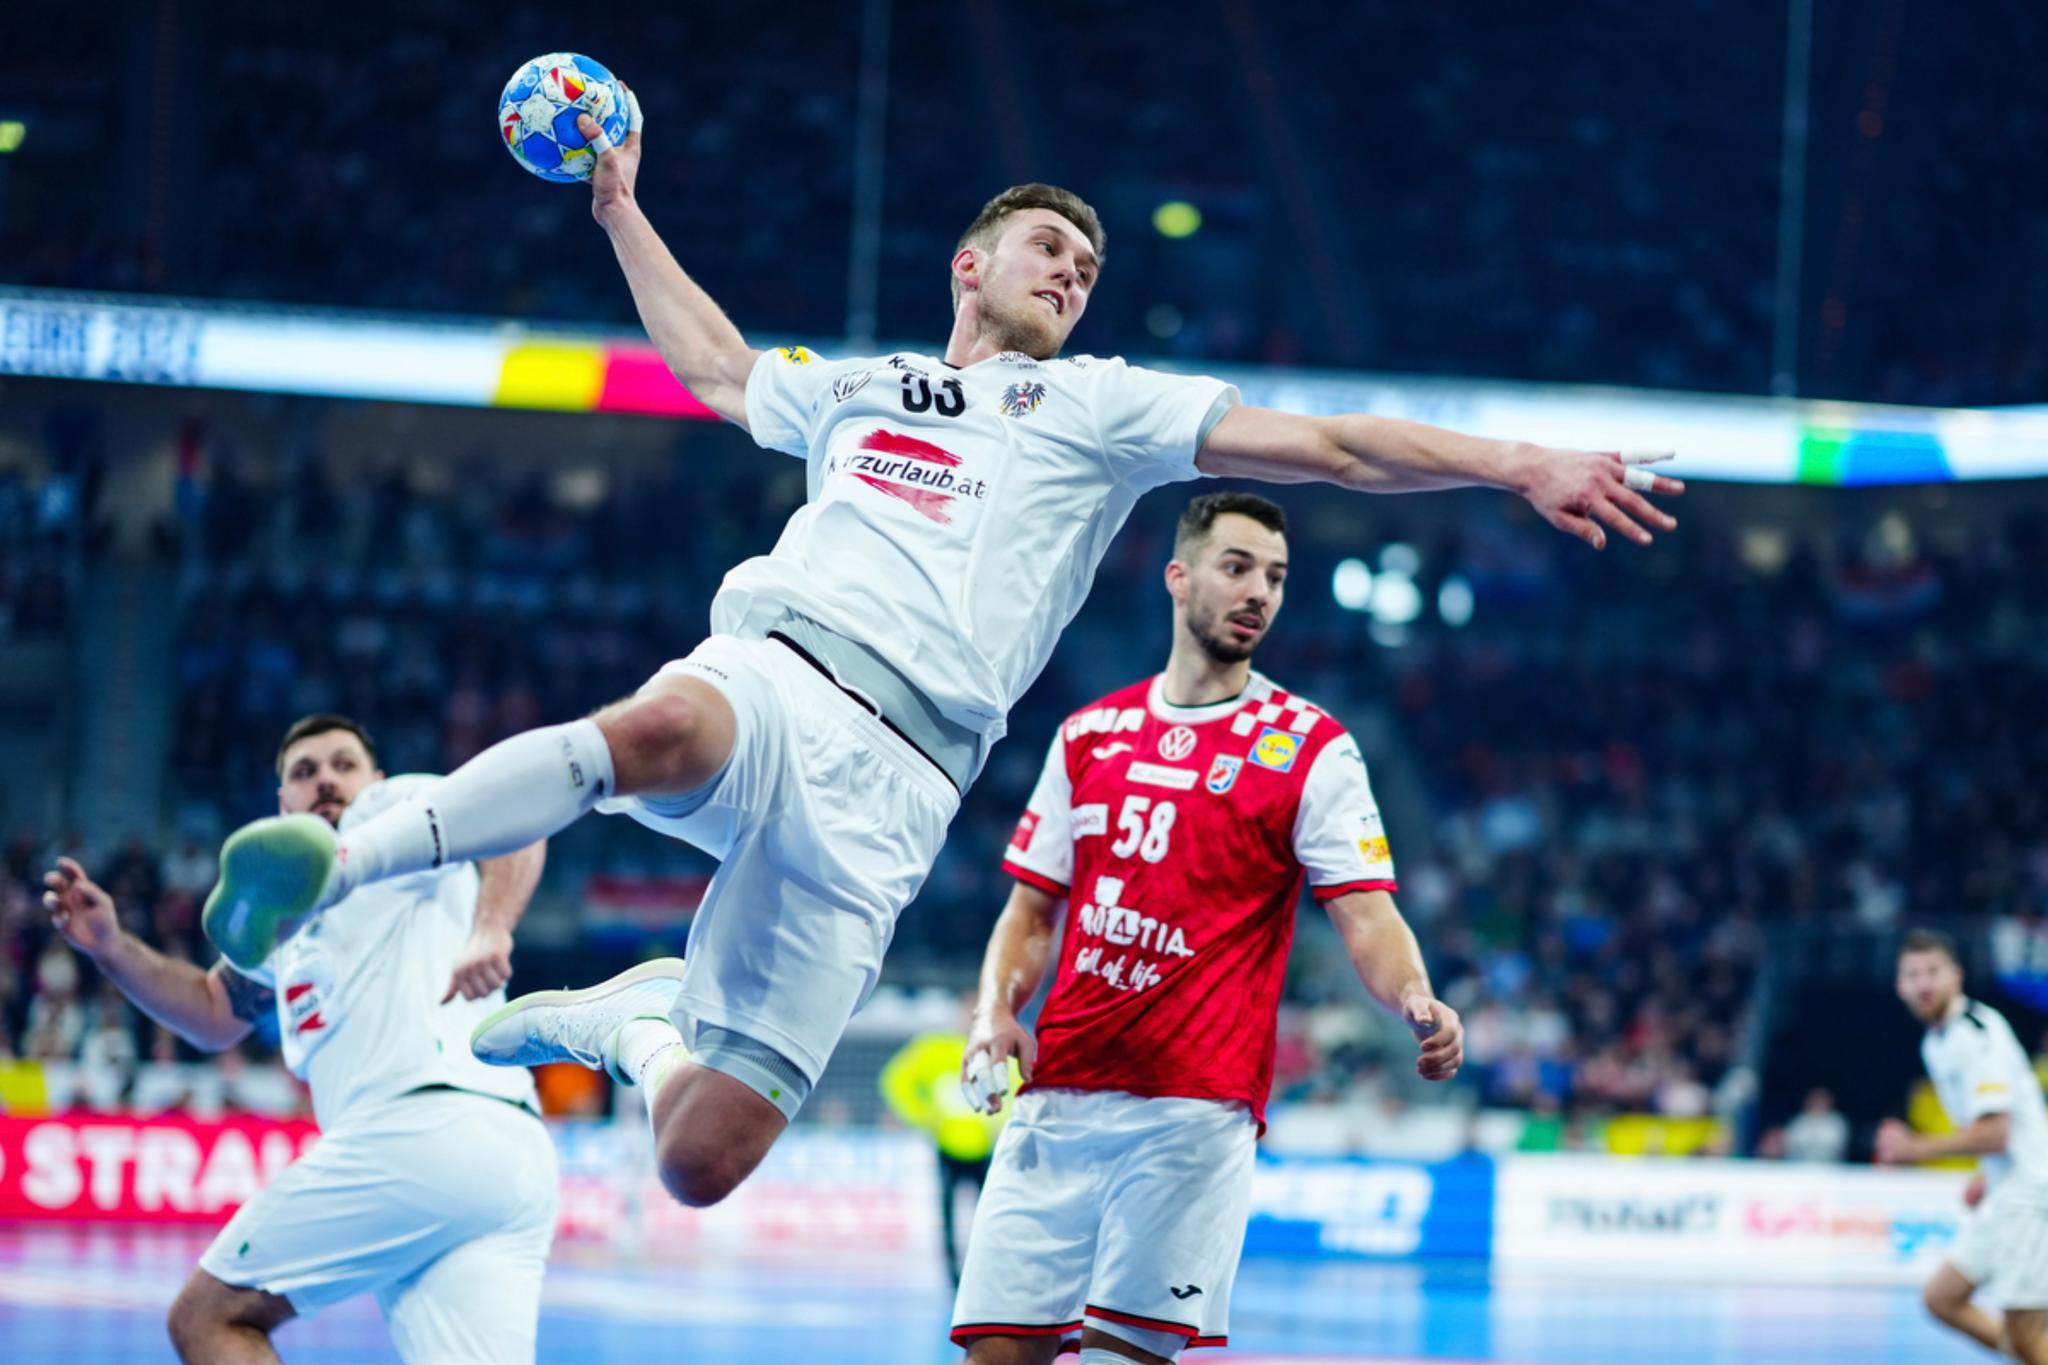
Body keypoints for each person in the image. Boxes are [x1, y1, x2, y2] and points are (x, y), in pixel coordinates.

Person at [196, 85, 1679, 1214]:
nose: (1074, 272)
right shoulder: (863, 386)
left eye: (1090, 263)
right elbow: (712, 366)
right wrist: (618, 212)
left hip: (901, 781)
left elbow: (1340, 446)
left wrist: (1515, 462)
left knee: (702, 1158)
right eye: (1050, 247)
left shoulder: (1100, 408)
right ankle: (341, 862)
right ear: (971, 264)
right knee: (662, 730)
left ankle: (631, 1020)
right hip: (781, 664)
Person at [948, 492, 1462, 1364]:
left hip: (1192, 1116)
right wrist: (995, 1013)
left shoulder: (1310, 746)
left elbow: (1366, 913)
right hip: (1058, 1098)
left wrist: (1415, 994)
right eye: (1237, 567)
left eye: (1276, 576)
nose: (1259, 590)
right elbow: (1031, 909)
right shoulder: (1087, 736)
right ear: (1178, 578)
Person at [46, 715, 573, 1364]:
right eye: (304, 771)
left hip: (421, 1123)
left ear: (375, 780)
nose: (325, 777)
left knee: (208, 1317)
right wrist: (111, 947)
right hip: (509, 1155)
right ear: (281, 805)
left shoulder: (391, 814)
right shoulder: (283, 914)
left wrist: (491, 926)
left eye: (343, 764)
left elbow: (515, 815)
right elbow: (213, 1011)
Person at [1880, 929, 2048, 1365]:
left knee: (2030, 1336)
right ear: (1899, 986)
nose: (1922, 983)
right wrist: (1984, 1175)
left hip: (2030, 1193)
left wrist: (1913, 1148)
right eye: (1912, 974)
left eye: (1932, 971)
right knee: (1943, 1298)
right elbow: (2001, 1129)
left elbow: (1997, 1133)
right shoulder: (1937, 1041)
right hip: (2006, 1188)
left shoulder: (1976, 1034)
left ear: (1955, 977)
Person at [878, 994, 1017, 1285]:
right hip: (946, 1145)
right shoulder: (933, 1049)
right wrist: (923, 1116)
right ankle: (953, 1277)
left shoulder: (997, 1050)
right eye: (965, 1013)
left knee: (986, 1217)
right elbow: (895, 1080)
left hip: (985, 1148)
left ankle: (983, 1272)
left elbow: (1017, 1087)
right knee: (948, 1215)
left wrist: (1002, 1122)